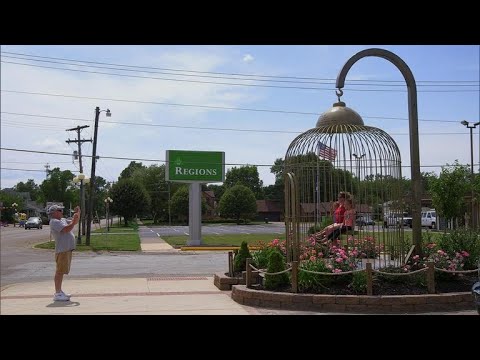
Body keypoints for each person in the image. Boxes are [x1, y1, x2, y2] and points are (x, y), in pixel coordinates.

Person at [48, 204, 80, 301]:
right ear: (54, 212)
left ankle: (59, 291)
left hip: (66, 250)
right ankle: (57, 293)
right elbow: (67, 229)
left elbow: (74, 222)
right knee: (59, 271)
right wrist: (74, 220)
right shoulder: (54, 222)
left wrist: (78, 214)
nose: (62, 211)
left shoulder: (62, 220)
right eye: (60, 210)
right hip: (61, 250)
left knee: (61, 272)